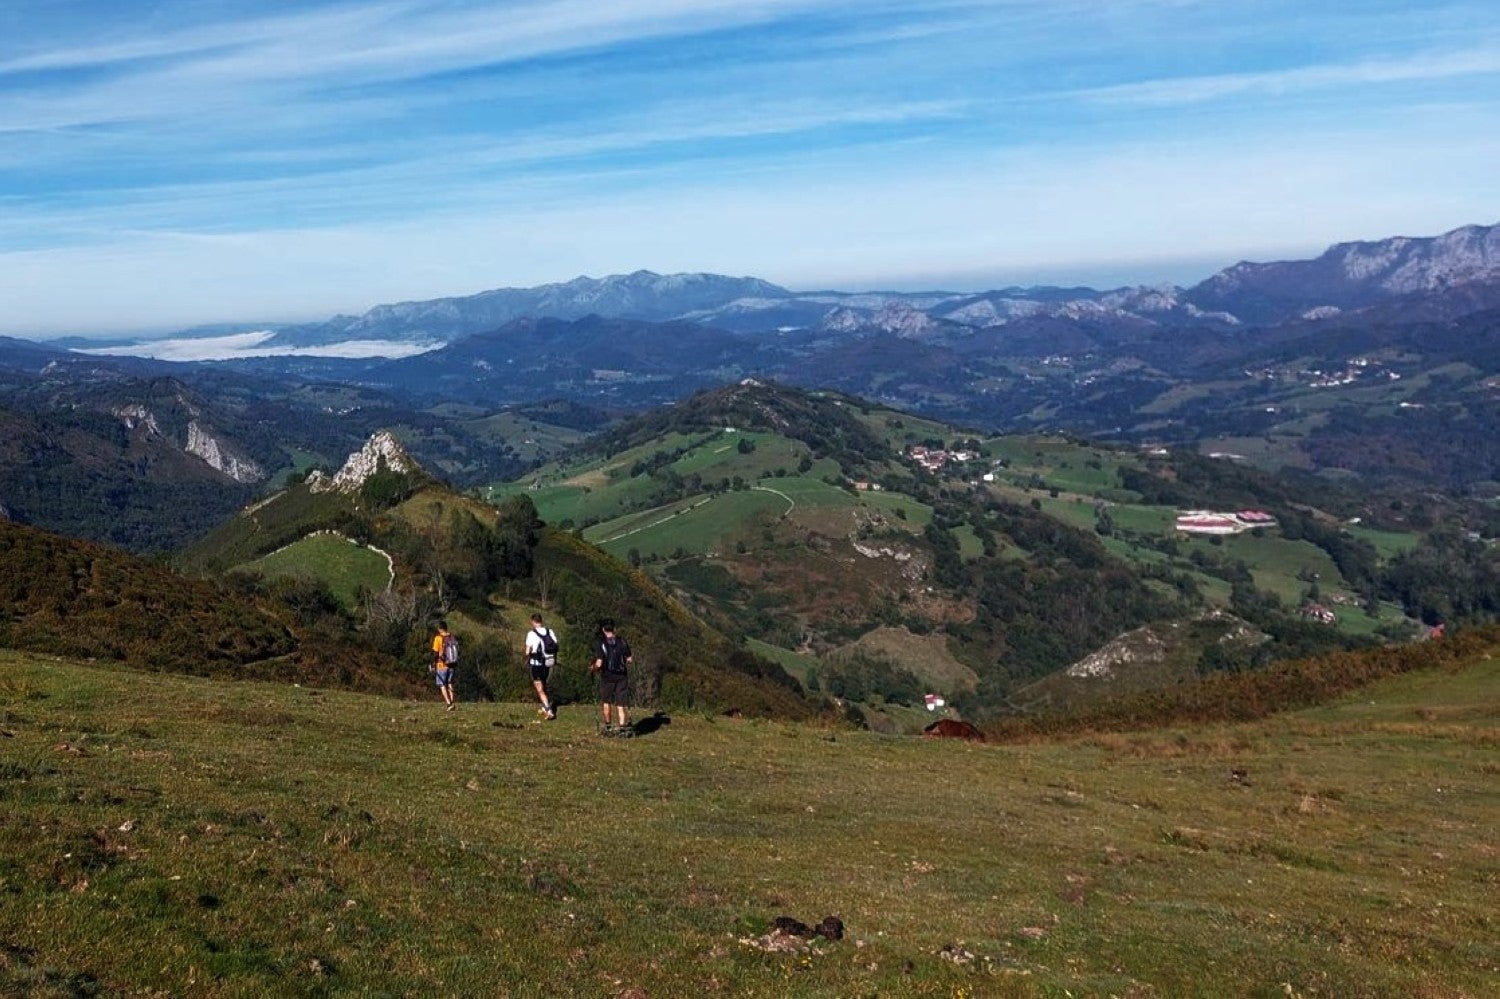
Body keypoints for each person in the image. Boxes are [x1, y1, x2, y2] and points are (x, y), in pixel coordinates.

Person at [590, 619, 633, 736]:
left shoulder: (601, 643)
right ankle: (623, 729)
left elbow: (599, 663)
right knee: (620, 704)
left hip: (607, 676)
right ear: (614, 629)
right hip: (622, 676)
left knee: (606, 702)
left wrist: (593, 668)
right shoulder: (622, 641)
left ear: (603, 630)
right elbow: (629, 659)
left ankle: (608, 727)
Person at [524, 612, 558, 720]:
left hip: (536, 664)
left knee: (539, 688)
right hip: (548, 663)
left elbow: (527, 651)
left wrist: (527, 655)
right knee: (543, 684)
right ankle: (545, 705)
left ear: (533, 622)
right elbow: (555, 646)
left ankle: (549, 710)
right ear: (541, 621)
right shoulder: (549, 631)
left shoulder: (531, 633)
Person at [430, 619, 457, 711]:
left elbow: (435, 653)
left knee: (442, 684)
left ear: (440, 629)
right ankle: (452, 702)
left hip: (442, 665)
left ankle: (449, 704)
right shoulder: (452, 637)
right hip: (452, 664)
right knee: (450, 683)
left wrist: (433, 664)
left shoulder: (438, 638)